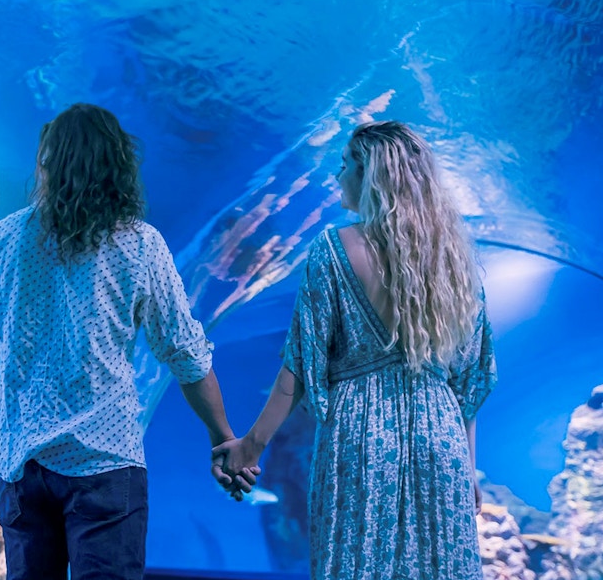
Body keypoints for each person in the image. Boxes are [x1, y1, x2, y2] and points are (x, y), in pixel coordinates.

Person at [0, 102, 255, 580]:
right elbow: (184, 352)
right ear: (116, 164)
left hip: (22, 469)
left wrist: (8, 437)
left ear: (45, 164)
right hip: (105, 462)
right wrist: (223, 436)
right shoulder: (139, 244)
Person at [212, 120, 497, 579]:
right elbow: (469, 383)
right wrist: (467, 468)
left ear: (370, 174)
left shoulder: (333, 248)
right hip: (441, 438)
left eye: (345, 165)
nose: (337, 176)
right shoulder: (456, 258)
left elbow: (299, 368)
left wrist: (252, 445)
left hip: (361, 435)